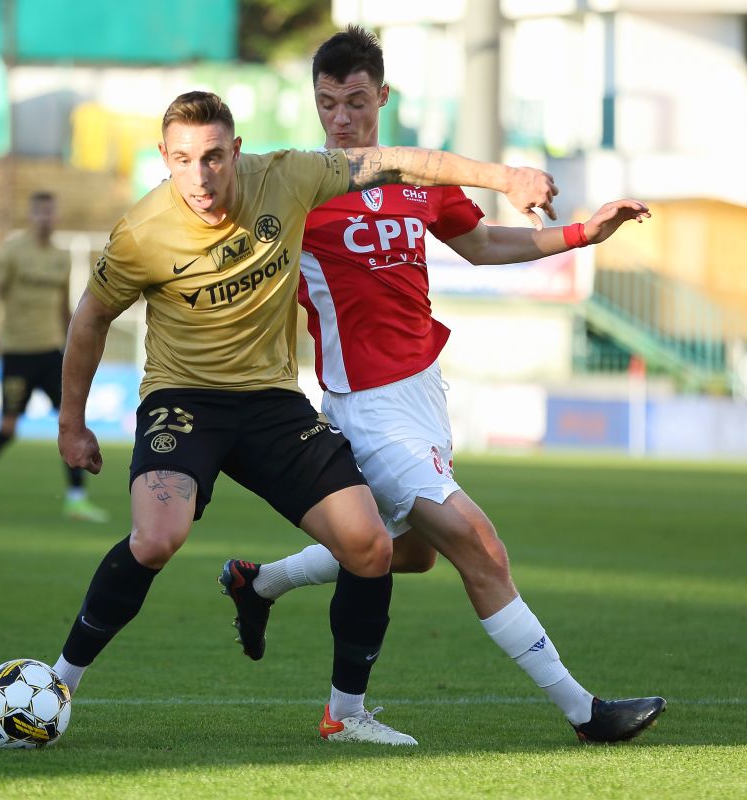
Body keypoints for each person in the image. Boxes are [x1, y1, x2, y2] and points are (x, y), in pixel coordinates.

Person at [47, 89, 560, 737]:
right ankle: (56, 684)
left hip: (271, 402)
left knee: (370, 545)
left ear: (237, 150)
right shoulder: (142, 232)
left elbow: (397, 162)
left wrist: (504, 177)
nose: (200, 176)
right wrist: (72, 423)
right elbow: (92, 317)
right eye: (182, 160)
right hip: (184, 399)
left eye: (213, 157)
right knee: (156, 539)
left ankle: (346, 716)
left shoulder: (289, 175)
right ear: (164, 157)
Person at [218, 25, 665, 746]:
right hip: (365, 407)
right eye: (327, 104)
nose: (340, 118)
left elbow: (482, 244)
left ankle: (259, 583)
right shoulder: (299, 189)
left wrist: (583, 234)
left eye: (355, 102)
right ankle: (585, 712)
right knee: (479, 545)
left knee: (413, 551)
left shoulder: (418, 178)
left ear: (383, 97)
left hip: (425, 393)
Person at [0, 191, 109, 523]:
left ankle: (76, 501)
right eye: (40, 213)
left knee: (71, 422)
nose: (46, 218)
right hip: (17, 353)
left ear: (56, 216)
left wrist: (73, 346)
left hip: (50, 352)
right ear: (32, 216)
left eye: (51, 212)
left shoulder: (61, 258)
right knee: (7, 429)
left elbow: (64, 309)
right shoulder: (14, 251)